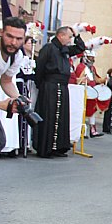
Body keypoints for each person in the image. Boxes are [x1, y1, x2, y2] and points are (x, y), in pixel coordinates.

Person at [34, 26, 86, 158]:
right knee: (49, 115)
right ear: (61, 36)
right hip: (50, 86)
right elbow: (40, 67)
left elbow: (80, 48)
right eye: (69, 37)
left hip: (62, 86)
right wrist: (41, 84)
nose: (70, 40)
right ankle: (45, 147)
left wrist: (76, 35)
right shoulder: (49, 48)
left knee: (60, 117)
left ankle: (57, 146)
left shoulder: (64, 50)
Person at [0, 17, 26, 156]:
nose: (13, 42)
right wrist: (0, 104)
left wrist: (19, 98)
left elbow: (6, 81)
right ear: (1, 33)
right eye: (9, 36)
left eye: (18, 39)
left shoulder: (16, 56)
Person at [75, 49, 106, 137]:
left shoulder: (92, 68)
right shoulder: (80, 67)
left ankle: (93, 130)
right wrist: (85, 81)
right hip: (83, 92)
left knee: (92, 110)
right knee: (82, 111)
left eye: (93, 58)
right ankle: (81, 131)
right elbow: (78, 80)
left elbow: (96, 79)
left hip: (91, 93)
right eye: (90, 57)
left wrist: (103, 80)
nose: (92, 59)